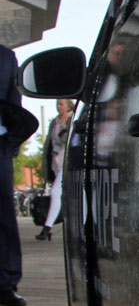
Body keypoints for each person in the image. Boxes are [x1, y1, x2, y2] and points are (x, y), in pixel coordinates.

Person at [0, 42, 29, 306]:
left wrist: (10, 144)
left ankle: (6, 283)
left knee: (4, 217)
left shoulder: (6, 57)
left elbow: (14, 101)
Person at [36, 98, 73, 241]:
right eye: (57, 104)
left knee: (56, 192)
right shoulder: (55, 122)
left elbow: (70, 140)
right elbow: (49, 143)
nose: (59, 107)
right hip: (56, 162)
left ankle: (47, 228)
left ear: (69, 106)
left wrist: (65, 130)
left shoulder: (71, 120)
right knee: (66, 194)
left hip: (67, 162)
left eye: (61, 104)